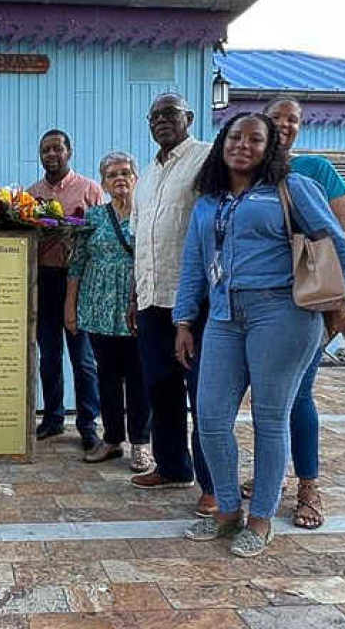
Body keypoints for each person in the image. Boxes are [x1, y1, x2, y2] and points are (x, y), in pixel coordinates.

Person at [174, 112, 345, 557]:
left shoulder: (291, 188)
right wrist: (184, 320)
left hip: (283, 313)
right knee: (210, 419)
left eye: (255, 139)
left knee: (271, 418)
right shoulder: (208, 200)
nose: (243, 146)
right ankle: (227, 511)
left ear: (269, 148)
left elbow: (336, 245)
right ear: (222, 142)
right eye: (235, 137)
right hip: (224, 316)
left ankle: (261, 519)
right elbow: (194, 265)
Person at [243, 95, 345, 529]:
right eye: (277, 119)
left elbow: (339, 236)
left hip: (304, 301)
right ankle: (271, 474)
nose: (286, 126)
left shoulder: (316, 170)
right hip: (252, 305)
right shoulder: (244, 172)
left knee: (298, 395)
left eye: (294, 120)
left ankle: (308, 485)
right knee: (266, 398)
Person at [127, 93, 216, 517]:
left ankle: (213, 484)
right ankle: (173, 466)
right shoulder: (145, 176)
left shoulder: (206, 159)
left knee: (203, 393)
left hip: (194, 300)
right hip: (151, 299)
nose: (162, 121)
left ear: (189, 118)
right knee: (159, 387)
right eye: (155, 115)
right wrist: (134, 297)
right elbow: (139, 241)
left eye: (170, 114)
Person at [65, 152, 152, 471]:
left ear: (136, 179)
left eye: (126, 172)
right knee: (107, 377)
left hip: (137, 305)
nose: (120, 178)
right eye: (112, 174)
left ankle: (141, 444)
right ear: (102, 182)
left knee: (139, 377)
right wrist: (69, 306)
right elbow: (77, 263)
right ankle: (113, 439)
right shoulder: (94, 218)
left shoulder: (148, 215)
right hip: (98, 307)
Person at [30, 129, 102, 451]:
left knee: (83, 358)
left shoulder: (89, 189)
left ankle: (88, 424)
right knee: (49, 357)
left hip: (80, 283)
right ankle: (53, 418)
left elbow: (101, 235)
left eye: (57, 148)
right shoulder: (31, 196)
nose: (51, 154)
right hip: (45, 281)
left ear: (69, 151)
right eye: (46, 150)